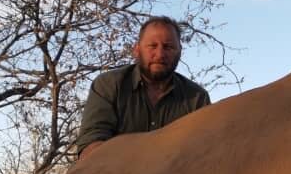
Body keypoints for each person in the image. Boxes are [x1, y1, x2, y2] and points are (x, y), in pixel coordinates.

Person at [76, 16, 211, 160]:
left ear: (179, 52)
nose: (160, 54)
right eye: (152, 46)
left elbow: (205, 152)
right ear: (136, 50)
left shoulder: (197, 98)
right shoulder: (108, 85)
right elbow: (91, 148)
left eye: (168, 47)